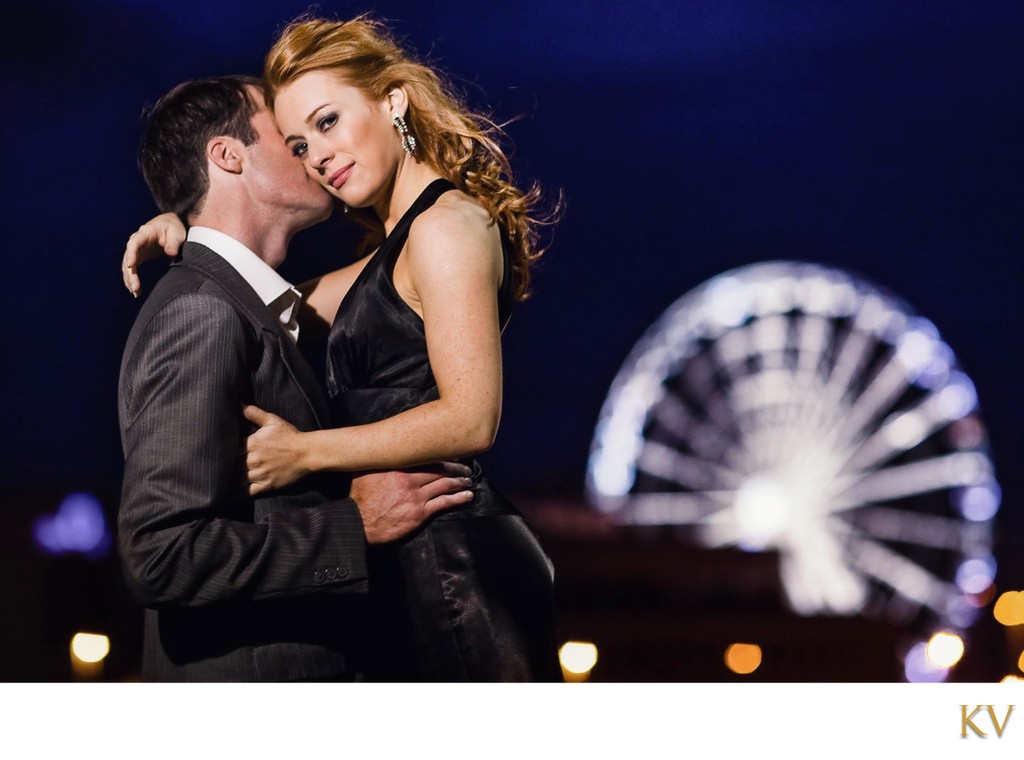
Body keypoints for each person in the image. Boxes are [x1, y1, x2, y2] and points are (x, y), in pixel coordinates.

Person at [123, 15, 563, 682]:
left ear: (393, 101)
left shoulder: (445, 227)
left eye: (327, 123)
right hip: (401, 571)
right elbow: (260, 299)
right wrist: (191, 221)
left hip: (454, 567)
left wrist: (305, 453)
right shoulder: (391, 252)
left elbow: (473, 418)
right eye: (297, 143)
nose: (316, 156)